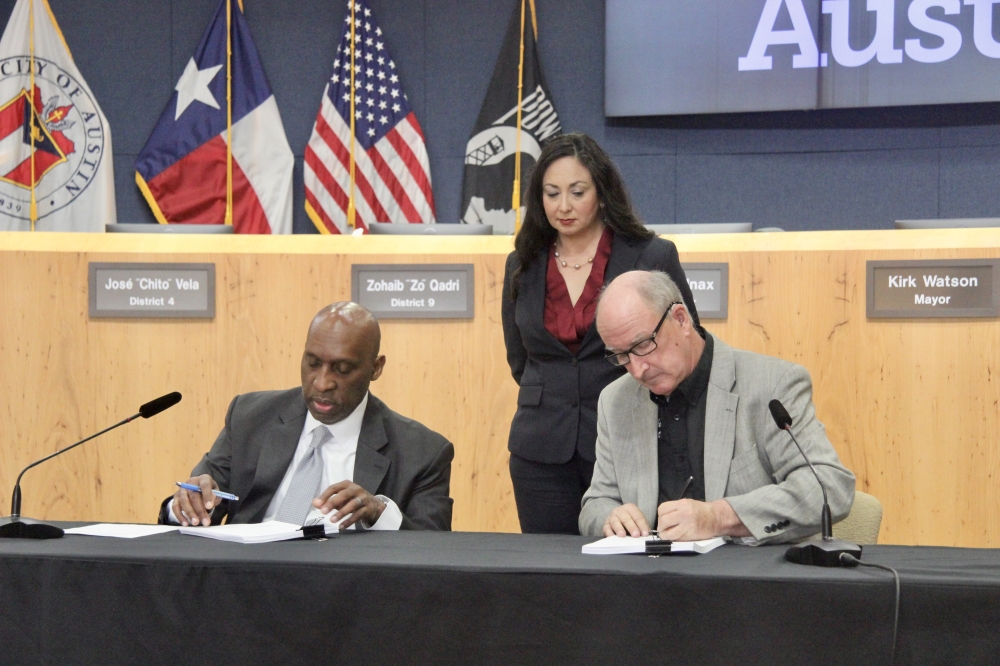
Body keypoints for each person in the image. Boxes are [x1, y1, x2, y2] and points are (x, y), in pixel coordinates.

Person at [501, 133, 700, 535]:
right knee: (548, 567)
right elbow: (519, 359)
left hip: (629, 438)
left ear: (602, 193)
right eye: (552, 193)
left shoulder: (649, 255)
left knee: (624, 562)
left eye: (577, 192)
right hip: (541, 449)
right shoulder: (522, 262)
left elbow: (687, 343)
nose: (564, 206)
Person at [579, 270, 855, 542]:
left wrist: (719, 517)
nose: (637, 369)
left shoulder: (772, 385)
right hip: (647, 569)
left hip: (745, 568)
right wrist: (610, 517)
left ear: (681, 319)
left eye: (642, 345)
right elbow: (596, 502)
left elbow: (829, 488)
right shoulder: (616, 400)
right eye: (621, 355)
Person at [159, 302, 454, 531]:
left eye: (342, 369)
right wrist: (186, 505)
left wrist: (379, 514)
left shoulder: (422, 452)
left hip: (347, 585)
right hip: (249, 577)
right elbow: (201, 499)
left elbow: (434, 553)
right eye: (313, 364)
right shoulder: (250, 417)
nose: (322, 383)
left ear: (376, 368)